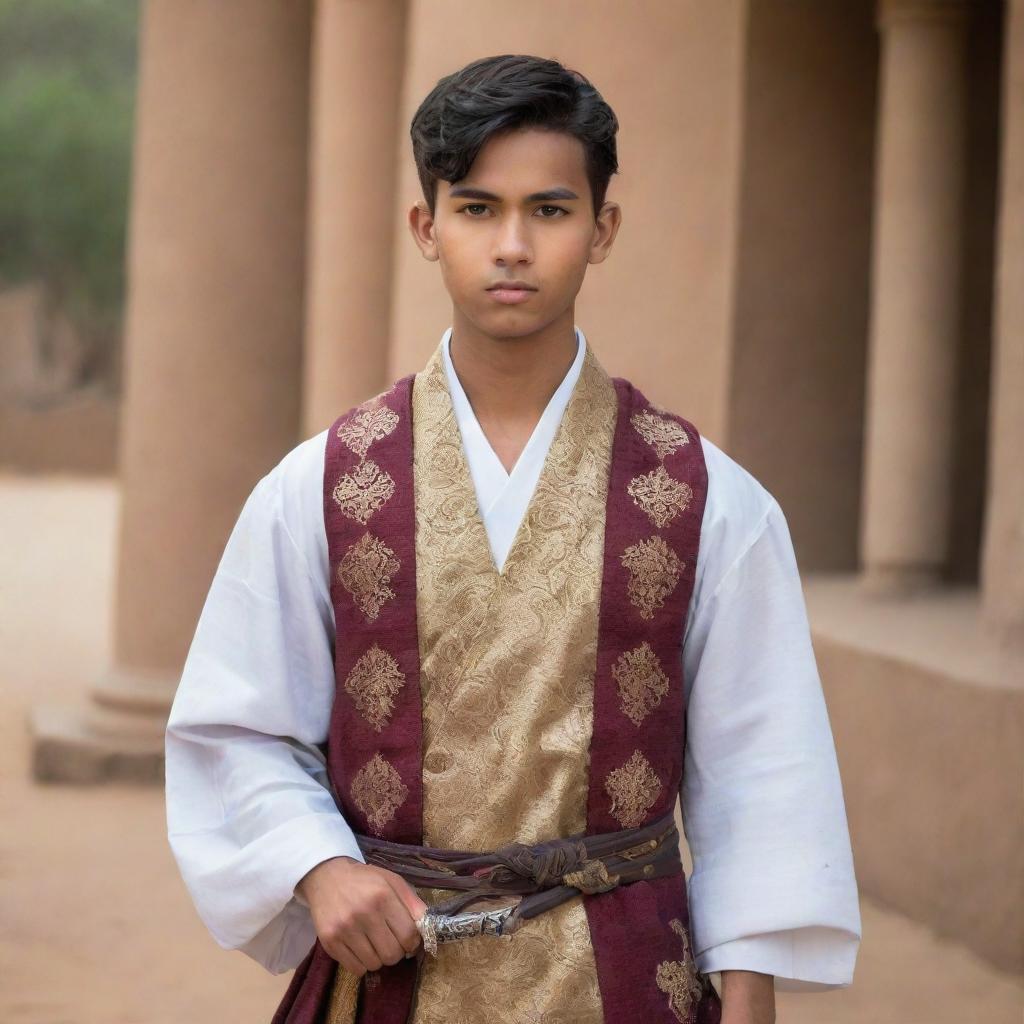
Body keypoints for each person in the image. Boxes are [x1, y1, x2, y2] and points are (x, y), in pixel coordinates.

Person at [165, 53, 861, 1024]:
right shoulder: (318, 488)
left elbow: (763, 774)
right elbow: (237, 726)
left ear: (601, 229)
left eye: (549, 209)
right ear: (427, 226)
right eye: (477, 208)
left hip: (624, 977)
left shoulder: (708, 500)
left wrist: (746, 1007)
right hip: (394, 973)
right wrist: (318, 865)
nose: (512, 246)